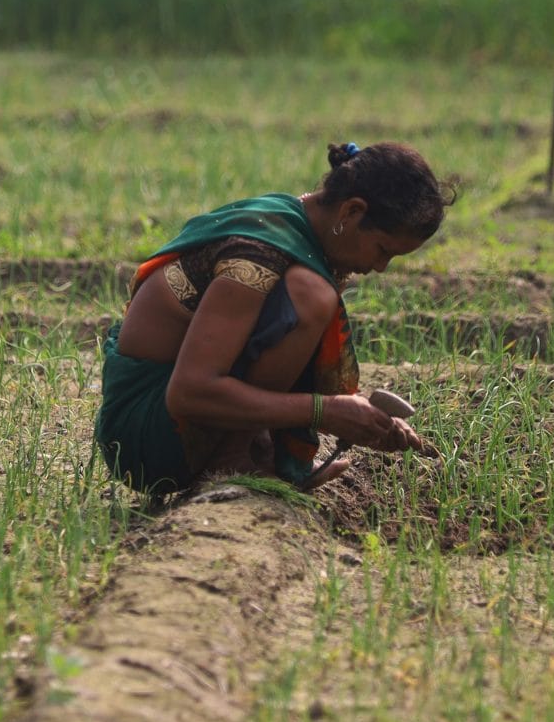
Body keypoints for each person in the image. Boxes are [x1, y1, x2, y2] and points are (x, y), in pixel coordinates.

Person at [94, 141, 447, 496]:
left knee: (312, 290)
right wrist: (324, 411)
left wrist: (364, 421)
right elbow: (188, 393)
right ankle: (233, 460)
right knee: (311, 294)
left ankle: (250, 450)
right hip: (143, 435)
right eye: (383, 250)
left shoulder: (299, 230)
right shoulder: (258, 255)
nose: (380, 267)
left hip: (180, 411)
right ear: (352, 212)